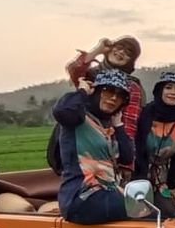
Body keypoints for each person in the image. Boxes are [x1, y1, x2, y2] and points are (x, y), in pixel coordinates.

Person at [48, 36, 145, 178]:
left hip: (106, 143)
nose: (121, 52)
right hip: (77, 136)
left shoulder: (131, 86)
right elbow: (74, 70)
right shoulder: (91, 76)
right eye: (119, 47)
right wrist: (98, 50)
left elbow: (129, 124)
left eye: (128, 52)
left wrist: (126, 163)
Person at [52, 68, 135, 224]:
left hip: (107, 193)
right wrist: (82, 91)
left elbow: (127, 156)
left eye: (120, 96)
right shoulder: (78, 118)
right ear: (95, 91)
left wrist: (119, 126)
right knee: (142, 209)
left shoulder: (108, 126)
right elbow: (62, 111)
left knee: (155, 211)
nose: (113, 98)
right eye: (108, 91)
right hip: (82, 197)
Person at [134, 71, 175, 214]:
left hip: (163, 179)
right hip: (136, 174)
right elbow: (136, 146)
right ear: (160, 90)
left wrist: (172, 185)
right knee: (135, 212)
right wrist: (139, 180)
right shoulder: (142, 114)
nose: (173, 92)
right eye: (168, 87)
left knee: (169, 211)